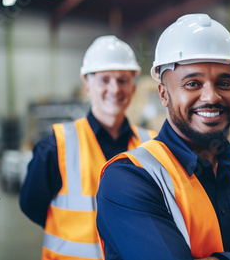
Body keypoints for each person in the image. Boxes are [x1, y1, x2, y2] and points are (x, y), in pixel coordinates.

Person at [96, 14, 230, 260]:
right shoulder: (130, 177)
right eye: (192, 84)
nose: (211, 97)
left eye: (224, 83)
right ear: (164, 94)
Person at [20, 35, 157, 260]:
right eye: (104, 80)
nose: (114, 89)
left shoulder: (151, 146)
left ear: (133, 87)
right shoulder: (56, 145)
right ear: (87, 85)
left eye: (122, 80)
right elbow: (31, 204)